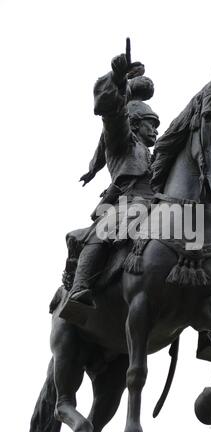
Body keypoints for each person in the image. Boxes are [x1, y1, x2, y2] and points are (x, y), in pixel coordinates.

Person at [60, 52, 159, 320]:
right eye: (152, 125)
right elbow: (113, 113)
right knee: (103, 232)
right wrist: (117, 79)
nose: (157, 131)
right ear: (136, 124)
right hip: (124, 200)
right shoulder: (121, 141)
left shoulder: (153, 154)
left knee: (192, 231)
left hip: (156, 202)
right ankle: (81, 288)